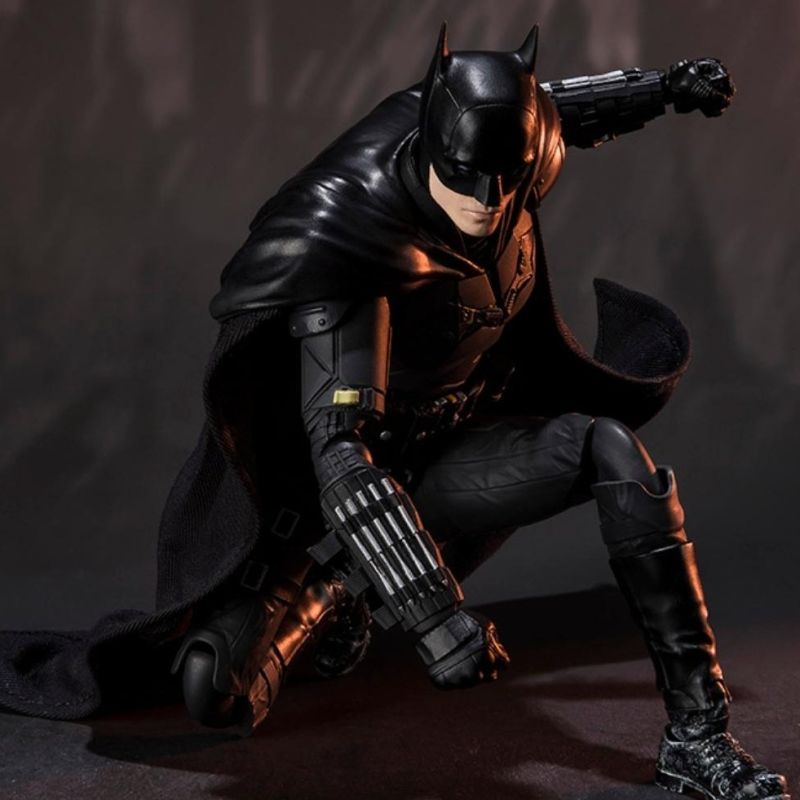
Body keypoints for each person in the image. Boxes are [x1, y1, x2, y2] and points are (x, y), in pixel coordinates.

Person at [0, 22, 788, 800]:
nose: (487, 204)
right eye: (467, 178)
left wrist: (665, 87)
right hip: (329, 506)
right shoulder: (349, 233)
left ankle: (698, 736)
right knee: (216, 689)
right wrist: (436, 617)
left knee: (610, 448)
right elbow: (341, 455)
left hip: (451, 458)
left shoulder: (513, 152)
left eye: (506, 179)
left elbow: (550, 108)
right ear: (433, 150)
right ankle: (336, 593)